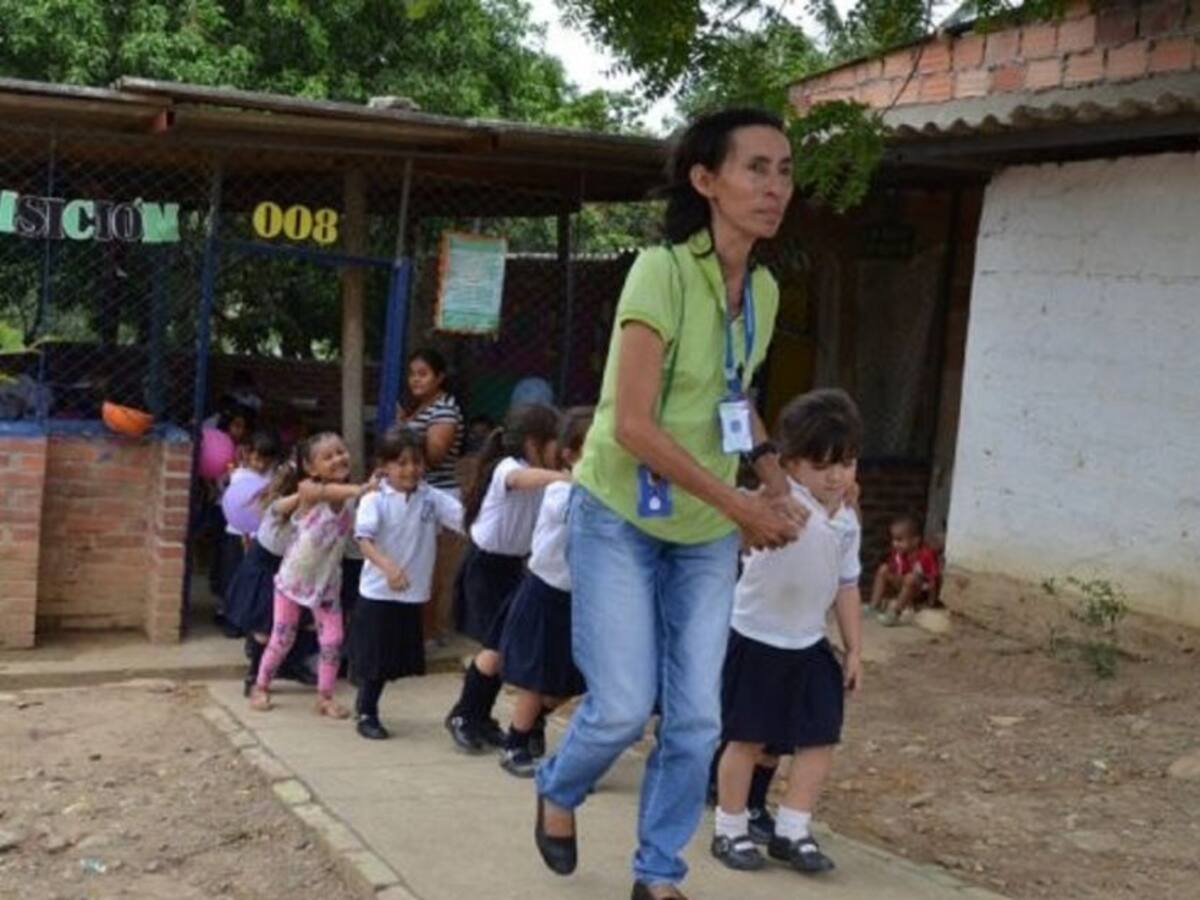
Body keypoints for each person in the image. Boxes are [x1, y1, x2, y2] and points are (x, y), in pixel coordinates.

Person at [532, 108, 802, 900]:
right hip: (620, 512)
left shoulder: (765, 289)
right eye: (756, 168)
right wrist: (744, 508)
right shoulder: (660, 271)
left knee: (695, 722)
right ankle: (558, 782)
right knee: (619, 707)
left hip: (704, 528)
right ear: (705, 180)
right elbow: (635, 426)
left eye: (785, 170)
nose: (775, 187)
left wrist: (770, 471)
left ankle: (657, 875)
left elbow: (733, 390)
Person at [712, 388, 864, 876]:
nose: (837, 476)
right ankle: (729, 828)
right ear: (793, 465)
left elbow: (847, 584)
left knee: (819, 738)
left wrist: (854, 649)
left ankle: (793, 830)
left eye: (846, 463)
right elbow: (735, 530)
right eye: (823, 466)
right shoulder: (778, 501)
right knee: (747, 741)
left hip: (809, 644)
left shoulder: (847, 521)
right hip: (756, 640)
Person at [443, 404, 568, 751]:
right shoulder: (509, 468)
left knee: (505, 648)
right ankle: (465, 715)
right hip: (485, 568)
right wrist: (568, 477)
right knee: (496, 648)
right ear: (533, 442)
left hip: (515, 568)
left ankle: (480, 717)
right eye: (555, 442)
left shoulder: (544, 476)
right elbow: (520, 480)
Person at [247, 432, 374, 717]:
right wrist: (362, 489)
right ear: (311, 468)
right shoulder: (310, 489)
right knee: (281, 638)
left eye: (341, 451)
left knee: (332, 641)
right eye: (327, 456)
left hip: (327, 583)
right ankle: (261, 685)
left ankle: (325, 696)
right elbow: (327, 493)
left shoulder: (352, 497)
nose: (338, 458)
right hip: (293, 580)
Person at [497, 407, 594, 778]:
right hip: (545, 595)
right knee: (537, 680)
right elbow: (578, 516)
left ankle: (534, 725)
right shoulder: (560, 492)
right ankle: (515, 743)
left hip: (577, 601)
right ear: (569, 455)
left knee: (573, 680)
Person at [350, 428, 465, 740]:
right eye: (401, 463)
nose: (410, 469)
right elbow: (364, 540)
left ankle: (363, 688)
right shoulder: (375, 499)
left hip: (411, 592)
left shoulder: (431, 498)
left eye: (416, 462)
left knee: (392, 658)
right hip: (378, 591)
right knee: (376, 659)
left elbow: (464, 519)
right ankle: (366, 712)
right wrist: (388, 567)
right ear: (384, 466)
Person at [225, 457, 317, 695]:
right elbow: (285, 508)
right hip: (264, 570)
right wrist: (309, 494)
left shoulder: (310, 513)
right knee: (265, 629)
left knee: (302, 623)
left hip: (291, 569)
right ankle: (254, 676)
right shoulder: (277, 507)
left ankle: (290, 665)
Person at [396, 348, 466, 645]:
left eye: (423, 374)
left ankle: (428, 633)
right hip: (417, 494)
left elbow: (435, 456)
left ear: (439, 377)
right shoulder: (422, 408)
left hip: (437, 495)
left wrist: (403, 432)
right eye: (412, 374)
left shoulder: (445, 411)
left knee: (429, 568)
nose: (416, 379)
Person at [871, 514, 940, 625]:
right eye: (893, 539)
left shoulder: (925, 555)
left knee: (910, 577)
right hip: (904, 586)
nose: (895, 544)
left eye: (899, 540)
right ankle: (874, 606)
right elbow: (895, 571)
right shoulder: (898, 554)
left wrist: (931, 602)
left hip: (921, 591)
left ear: (915, 541)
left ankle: (894, 614)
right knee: (883, 569)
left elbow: (933, 579)